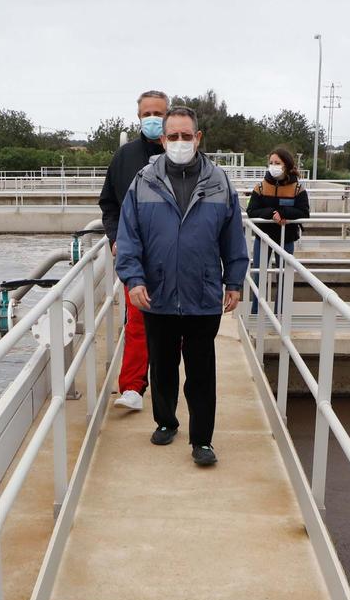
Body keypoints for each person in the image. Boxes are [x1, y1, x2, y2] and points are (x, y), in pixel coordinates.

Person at [114, 106, 247, 468]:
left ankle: (202, 440)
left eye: (186, 136)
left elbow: (233, 236)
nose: (179, 142)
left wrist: (233, 280)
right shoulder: (144, 181)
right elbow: (129, 237)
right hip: (156, 294)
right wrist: (134, 278)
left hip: (202, 293)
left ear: (198, 138)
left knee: (201, 370)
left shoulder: (219, 182)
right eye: (172, 136)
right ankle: (166, 421)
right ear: (162, 139)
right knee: (163, 364)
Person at [97, 89, 169, 412]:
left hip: (174, 255)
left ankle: (167, 387)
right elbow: (109, 203)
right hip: (135, 253)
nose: (153, 119)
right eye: (147, 114)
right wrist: (115, 238)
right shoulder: (124, 157)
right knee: (136, 320)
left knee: (172, 326)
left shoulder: (182, 153)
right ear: (138, 117)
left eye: (159, 113)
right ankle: (132, 387)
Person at [244, 145, 310, 311]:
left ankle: (280, 315)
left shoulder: (297, 188)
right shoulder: (261, 187)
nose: (273, 166)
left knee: (283, 278)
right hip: (263, 238)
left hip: (286, 239)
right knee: (259, 276)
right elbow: (252, 210)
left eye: (277, 162)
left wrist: (282, 213)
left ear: (286, 165)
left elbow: (303, 211)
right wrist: (272, 213)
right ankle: (255, 314)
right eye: (271, 162)